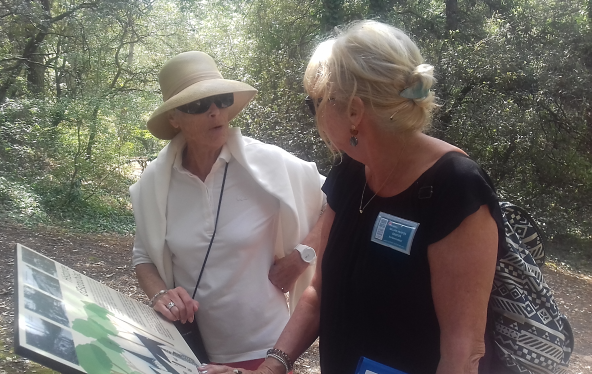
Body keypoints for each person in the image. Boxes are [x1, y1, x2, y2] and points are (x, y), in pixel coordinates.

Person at [200, 20, 505, 374]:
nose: (313, 115)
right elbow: (318, 292)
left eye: (315, 103)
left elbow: (464, 350)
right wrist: (271, 367)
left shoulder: (454, 186)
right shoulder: (350, 172)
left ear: (355, 112)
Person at [129, 51, 327, 370]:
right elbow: (143, 255)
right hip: (187, 348)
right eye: (197, 105)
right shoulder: (156, 182)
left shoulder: (265, 164)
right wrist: (160, 294)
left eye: (220, 100)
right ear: (174, 119)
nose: (213, 112)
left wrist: (302, 255)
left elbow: (335, 199)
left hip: (264, 349)